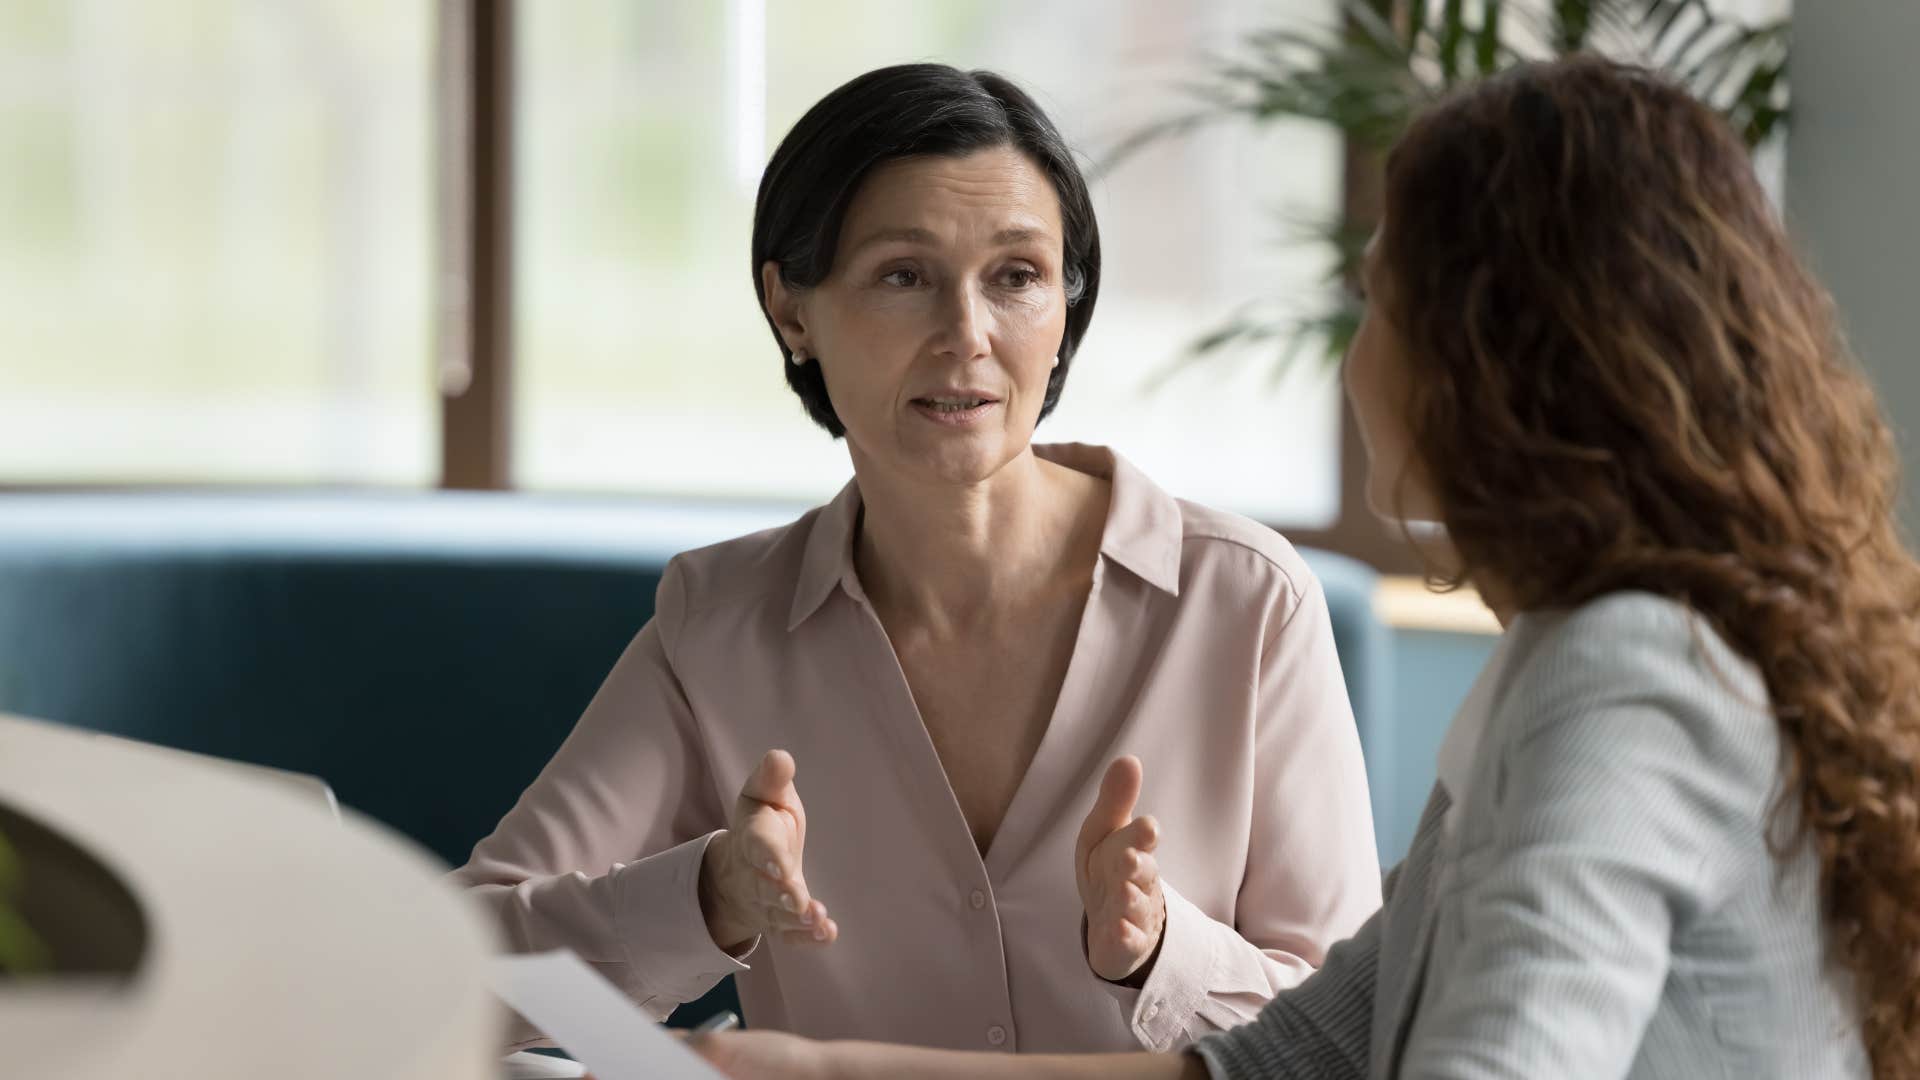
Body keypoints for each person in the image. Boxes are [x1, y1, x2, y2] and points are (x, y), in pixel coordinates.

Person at [692, 55, 1920, 1080]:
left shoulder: (1623, 673)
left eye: (1379, 301)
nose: (1355, 356)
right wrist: (817, 1070)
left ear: (1494, 362)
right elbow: (1283, 1063)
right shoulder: (1577, 650)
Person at [452, 62, 1381, 1055]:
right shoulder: (719, 626)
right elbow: (470, 974)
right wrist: (710, 898)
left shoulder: (1246, 604)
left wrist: (1161, 954)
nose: (968, 336)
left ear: (1066, 308)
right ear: (792, 310)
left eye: (1016, 278)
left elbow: (1355, 1040)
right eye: (905, 276)